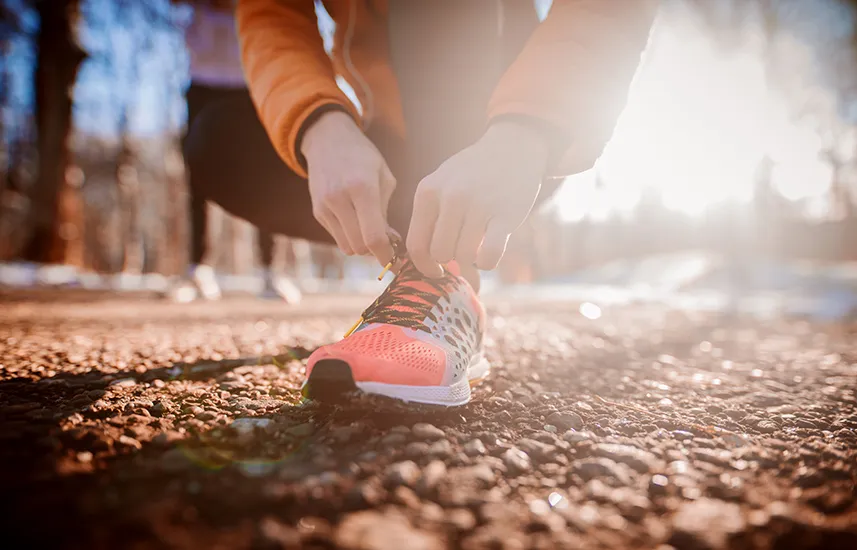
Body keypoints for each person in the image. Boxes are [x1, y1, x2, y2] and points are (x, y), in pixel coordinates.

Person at [186, 0, 657, 405]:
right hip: (387, 149)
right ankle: (417, 274)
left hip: (508, 144)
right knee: (217, 140)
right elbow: (270, 12)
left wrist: (527, 130)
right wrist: (317, 124)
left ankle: (449, 281)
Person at [174, 0, 302, 303]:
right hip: (203, 84)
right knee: (197, 180)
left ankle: (271, 271)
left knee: (267, 178)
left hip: (252, 85)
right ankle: (198, 270)